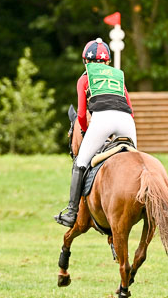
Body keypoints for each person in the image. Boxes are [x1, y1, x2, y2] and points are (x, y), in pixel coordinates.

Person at [55, 37, 137, 227]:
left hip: (102, 121)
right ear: (107, 61)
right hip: (127, 122)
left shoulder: (85, 78)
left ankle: (72, 213)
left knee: (81, 162)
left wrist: (85, 132)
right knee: (135, 162)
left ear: (86, 61)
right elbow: (130, 110)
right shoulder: (118, 76)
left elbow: (82, 114)